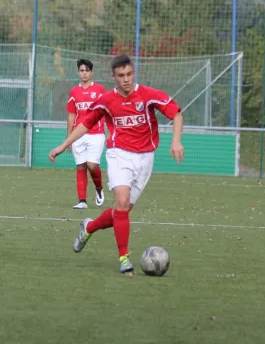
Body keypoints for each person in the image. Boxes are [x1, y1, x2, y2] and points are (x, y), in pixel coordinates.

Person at [49, 54, 184, 274]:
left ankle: (89, 227)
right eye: (121, 76)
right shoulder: (106, 100)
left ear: (134, 73)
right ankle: (124, 258)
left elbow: (176, 114)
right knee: (121, 200)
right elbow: (84, 124)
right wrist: (63, 145)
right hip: (119, 154)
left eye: (129, 74)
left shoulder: (148, 95)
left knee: (121, 211)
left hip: (145, 159)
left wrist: (176, 141)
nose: (126, 79)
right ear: (114, 77)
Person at [66, 59, 107, 209]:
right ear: (78, 72)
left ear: (92, 72)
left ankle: (99, 188)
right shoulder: (74, 92)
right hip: (78, 134)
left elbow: (107, 111)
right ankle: (82, 200)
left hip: (96, 133)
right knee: (81, 166)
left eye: (87, 70)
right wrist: (69, 138)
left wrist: (110, 133)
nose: (84, 73)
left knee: (92, 164)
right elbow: (71, 115)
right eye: (82, 70)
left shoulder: (100, 90)